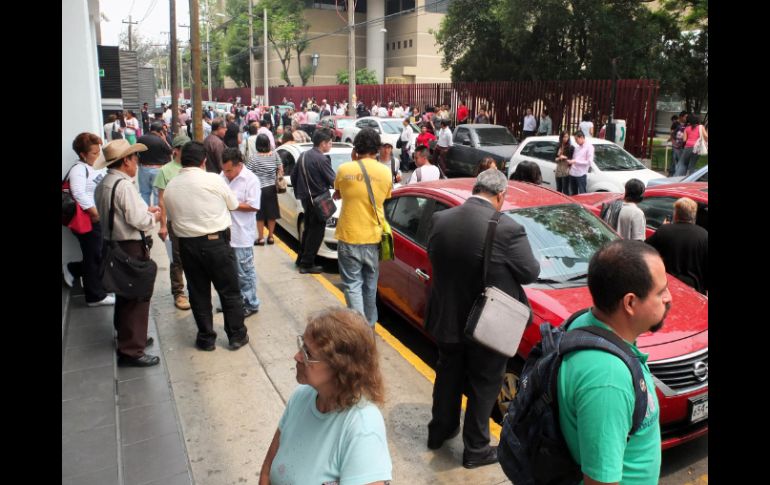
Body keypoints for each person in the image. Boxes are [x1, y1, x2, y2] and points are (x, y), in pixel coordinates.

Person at [425, 169, 539, 468]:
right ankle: (476, 449)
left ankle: (440, 430)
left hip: (447, 317)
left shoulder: (442, 219)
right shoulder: (508, 228)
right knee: (484, 383)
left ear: (475, 188)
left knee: (447, 375)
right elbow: (530, 272)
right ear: (500, 195)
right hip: (489, 323)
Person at [558, 239, 668, 484]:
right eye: (660, 292)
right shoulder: (608, 380)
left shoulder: (590, 323)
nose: (668, 298)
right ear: (630, 303)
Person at [259, 307, 392, 485]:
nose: (297, 356)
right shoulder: (301, 397)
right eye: (301, 346)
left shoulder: (362, 427)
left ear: (340, 368)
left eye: (308, 353)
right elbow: (268, 469)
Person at [163, 141, 250, 352]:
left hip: (188, 246)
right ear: (203, 161)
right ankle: (236, 335)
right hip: (216, 243)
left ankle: (206, 338)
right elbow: (234, 205)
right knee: (229, 291)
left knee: (198, 292)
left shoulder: (171, 186)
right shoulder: (213, 180)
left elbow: (173, 219)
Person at [94, 139, 162, 367]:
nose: (137, 163)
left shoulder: (104, 183)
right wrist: (155, 216)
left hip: (113, 245)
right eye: (135, 159)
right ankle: (132, 349)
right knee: (136, 297)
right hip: (129, 247)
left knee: (125, 295)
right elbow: (138, 220)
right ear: (126, 161)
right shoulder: (123, 186)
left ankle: (129, 336)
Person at [333, 128, 393, 327]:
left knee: (352, 285)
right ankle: (369, 326)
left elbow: (339, 193)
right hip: (373, 238)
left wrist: (353, 160)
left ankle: (359, 330)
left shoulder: (344, 170)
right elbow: (384, 198)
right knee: (370, 286)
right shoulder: (385, 172)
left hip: (349, 236)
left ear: (356, 148)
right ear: (377, 149)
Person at [62, 133, 113, 307]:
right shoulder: (78, 169)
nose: (97, 156)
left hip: (97, 218)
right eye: (93, 153)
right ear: (83, 154)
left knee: (98, 254)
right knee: (94, 256)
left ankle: (73, 270)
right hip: (88, 219)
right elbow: (78, 193)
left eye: (99, 152)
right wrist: (94, 213)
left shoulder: (94, 166)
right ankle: (95, 296)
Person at [221, 147, 262, 318]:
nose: (227, 174)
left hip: (241, 235)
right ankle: (234, 302)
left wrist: (233, 204)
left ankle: (250, 303)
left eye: (229, 170)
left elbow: (253, 205)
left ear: (239, 165)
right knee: (227, 272)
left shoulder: (250, 180)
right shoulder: (221, 176)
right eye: (224, 170)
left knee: (244, 273)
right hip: (224, 233)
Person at [153, 134, 192, 311]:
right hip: (174, 222)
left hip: (193, 221)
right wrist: (162, 225)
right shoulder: (165, 171)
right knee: (176, 259)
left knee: (194, 256)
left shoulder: (195, 168)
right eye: (184, 150)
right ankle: (178, 292)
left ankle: (194, 287)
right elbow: (161, 201)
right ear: (176, 151)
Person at [290, 128, 336, 274]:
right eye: (330, 142)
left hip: (306, 199)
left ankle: (301, 259)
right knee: (316, 233)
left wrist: (300, 192)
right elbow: (334, 181)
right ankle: (307, 264)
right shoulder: (322, 159)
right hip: (318, 200)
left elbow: (293, 176)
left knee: (308, 230)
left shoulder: (303, 155)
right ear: (322, 143)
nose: (331, 145)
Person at [645, 197, 708, 294]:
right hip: (694, 290)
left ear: (676, 214)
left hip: (669, 286)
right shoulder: (704, 235)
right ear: (693, 215)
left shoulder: (665, 231)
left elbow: (645, 250)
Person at [246, 134, 283, 245]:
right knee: (272, 214)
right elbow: (281, 169)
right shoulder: (275, 155)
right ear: (268, 143)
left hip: (259, 189)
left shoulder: (254, 157)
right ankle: (271, 237)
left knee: (260, 215)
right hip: (271, 188)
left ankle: (261, 238)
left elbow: (248, 173)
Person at [136, 120, 173, 206]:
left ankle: (146, 212)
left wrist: (138, 164)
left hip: (143, 168)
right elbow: (170, 151)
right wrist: (164, 140)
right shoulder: (160, 141)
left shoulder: (141, 138)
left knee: (144, 192)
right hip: (158, 169)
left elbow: (136, 153)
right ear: (160, 131)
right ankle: (157, 213)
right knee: (158, 194)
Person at [567, 130, 593, 195]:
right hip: (572, 173)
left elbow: (589, 162)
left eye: (576, 139)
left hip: (581, 174)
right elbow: (573, 158)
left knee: (582, 194)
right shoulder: (577, 148)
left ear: (581, 137)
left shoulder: (589, 147)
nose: (575, 141)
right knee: (573, 194)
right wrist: (570, 162)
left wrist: (576, 161)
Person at [554, 130, 573, 194]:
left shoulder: (570, 147)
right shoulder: (558, 146)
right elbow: (554, 158)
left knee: (565, 189)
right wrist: (559, 158)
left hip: (566, 170)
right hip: (559, 168)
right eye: (564, 137)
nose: (565, 139)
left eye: (567, 137)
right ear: (561, 137)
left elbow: (571, 159)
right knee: (558, 188)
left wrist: (565, 157)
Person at [668, 112, 687, 177]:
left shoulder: (686, 124)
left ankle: (678, 173)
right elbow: (672, 133)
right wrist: (674, 143)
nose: (686, 118)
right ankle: (671, 173)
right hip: (676, 145)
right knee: (674, 158)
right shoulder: (675, 123)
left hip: (683, 145)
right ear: (681, 117)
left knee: (680, 160)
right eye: (685, 117)